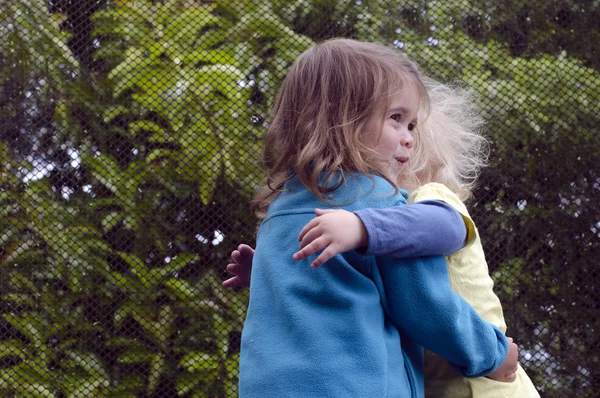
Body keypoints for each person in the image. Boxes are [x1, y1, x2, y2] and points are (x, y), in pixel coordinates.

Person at [234, 38, 517, 398]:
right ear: (342, 120)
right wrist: (493, 354)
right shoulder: (376, 202)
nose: (408, 139)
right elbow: (426, 307)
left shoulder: (279, 209)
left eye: (412, 126)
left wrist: (264, 273)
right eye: (396, 119)